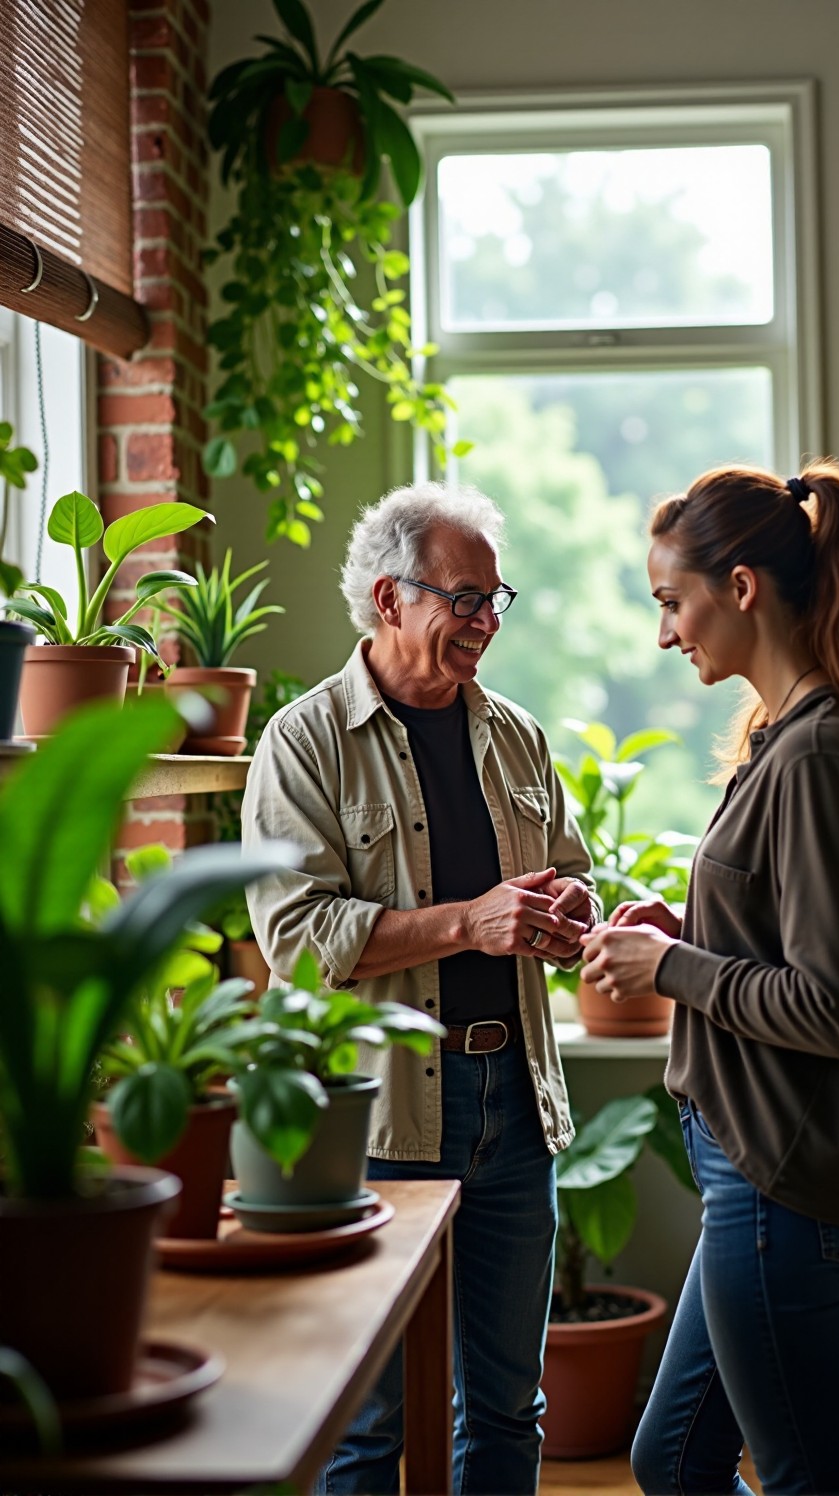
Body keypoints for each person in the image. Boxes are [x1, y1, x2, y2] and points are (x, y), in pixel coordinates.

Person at [579, 461, 839, 1496]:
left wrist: (672, 963)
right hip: (752, 1173)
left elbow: (834, 1005)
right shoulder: (780, 741)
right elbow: (786, 936)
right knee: (672, 1456)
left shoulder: (819, 754)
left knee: (800, 1474)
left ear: (739, 587)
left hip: (782, 1184)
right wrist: (683, 926)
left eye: (671, 601)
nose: (665, 633)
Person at [241, 480, 600, 1496]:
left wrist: (572, 911)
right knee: (366, 1420)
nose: (486, 621)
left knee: (504, 1408)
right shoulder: (301, 741)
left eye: (496, 598)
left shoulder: (518, 735)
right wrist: (467, 919)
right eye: (465, 597)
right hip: (375, 1119)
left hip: (514, 1111)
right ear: (389, 596)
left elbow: (572, 866)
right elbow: (299, 940)